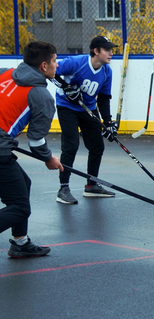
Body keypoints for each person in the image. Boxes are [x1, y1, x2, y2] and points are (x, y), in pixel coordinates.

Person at [0, 41, 64, 258]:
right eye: (55, 61)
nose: (58, 65)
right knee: (20, 207)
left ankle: (20, 242)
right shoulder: (41, 96)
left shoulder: (7, 73)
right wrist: (49, 159)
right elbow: (36, 143)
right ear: (44, 66)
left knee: (23, 184)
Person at [54, 35, 119, 205]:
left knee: (97, 146)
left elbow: (104, 98)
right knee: (71, 145)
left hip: (88, 109)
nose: (111, 53)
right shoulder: (77, 62)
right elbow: (52, 71)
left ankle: (91, 185)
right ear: (96, 51)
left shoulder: (106, 72)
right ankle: (63, 188)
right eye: (107, 50)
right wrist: (65, 87)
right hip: (67, 107)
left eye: (112, 50)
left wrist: (108, 123)